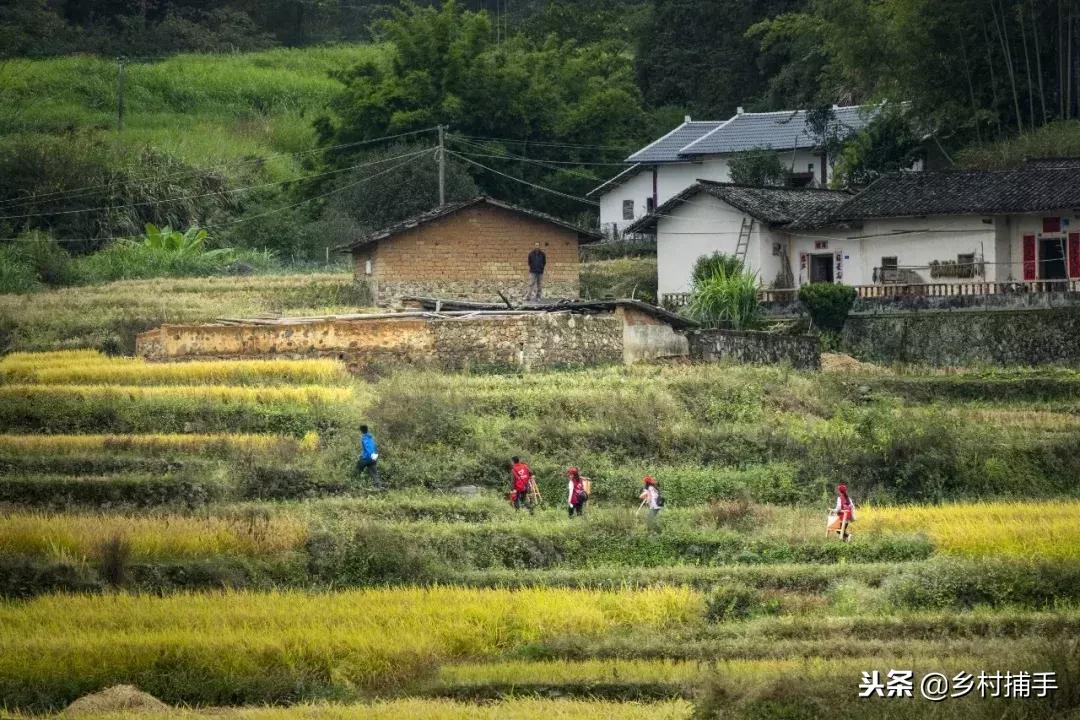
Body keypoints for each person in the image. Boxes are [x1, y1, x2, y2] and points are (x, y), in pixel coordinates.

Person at [355, 424, 383, 489]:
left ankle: (354, 486)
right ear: (367, 429)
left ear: (361, 431)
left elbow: (369, 449)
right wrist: (374, 457)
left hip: (367, 458)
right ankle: (379, 488)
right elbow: (374, 448)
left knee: (356, 471)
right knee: (374, 474)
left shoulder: (364, 438)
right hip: (374, 457)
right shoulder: (371, 437)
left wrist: (363, 457)